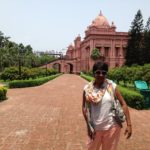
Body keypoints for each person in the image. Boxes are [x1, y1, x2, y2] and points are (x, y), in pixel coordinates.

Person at [82, 61, 132, 150]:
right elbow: (84, 107)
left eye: (104, 73)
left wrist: (129, 124)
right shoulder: (87, 89)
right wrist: (88, 126)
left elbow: (123, 103)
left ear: (106, 74)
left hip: (112, 127)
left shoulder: (111, 86)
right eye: (98, 72)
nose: (101, 75)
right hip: (94, 128)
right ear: (93, 73)